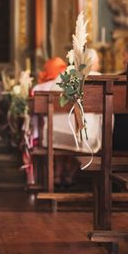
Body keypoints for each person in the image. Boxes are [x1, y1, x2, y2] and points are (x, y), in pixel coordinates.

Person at [32, 50, 103, 186]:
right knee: (81, 132)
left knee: (64, 128)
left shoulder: (62, 77)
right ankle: (70, 175)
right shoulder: (100, 78)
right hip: (87, 139)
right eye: (98, 62)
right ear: (93, 64)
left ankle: (58, 174)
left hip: (55, 137)